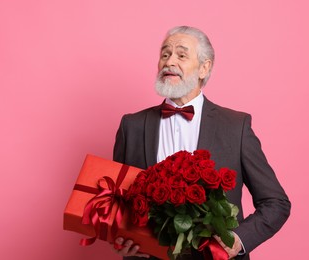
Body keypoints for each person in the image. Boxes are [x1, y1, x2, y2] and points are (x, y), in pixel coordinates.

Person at [112, 26, 291, 260]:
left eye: (181, 55)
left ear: (204, 68)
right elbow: (116, 205)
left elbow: (276, 202)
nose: (169, 61)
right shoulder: (131, 126)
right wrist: (120, 239)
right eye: (165, 54)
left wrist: (238, 240)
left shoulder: (236, 126)